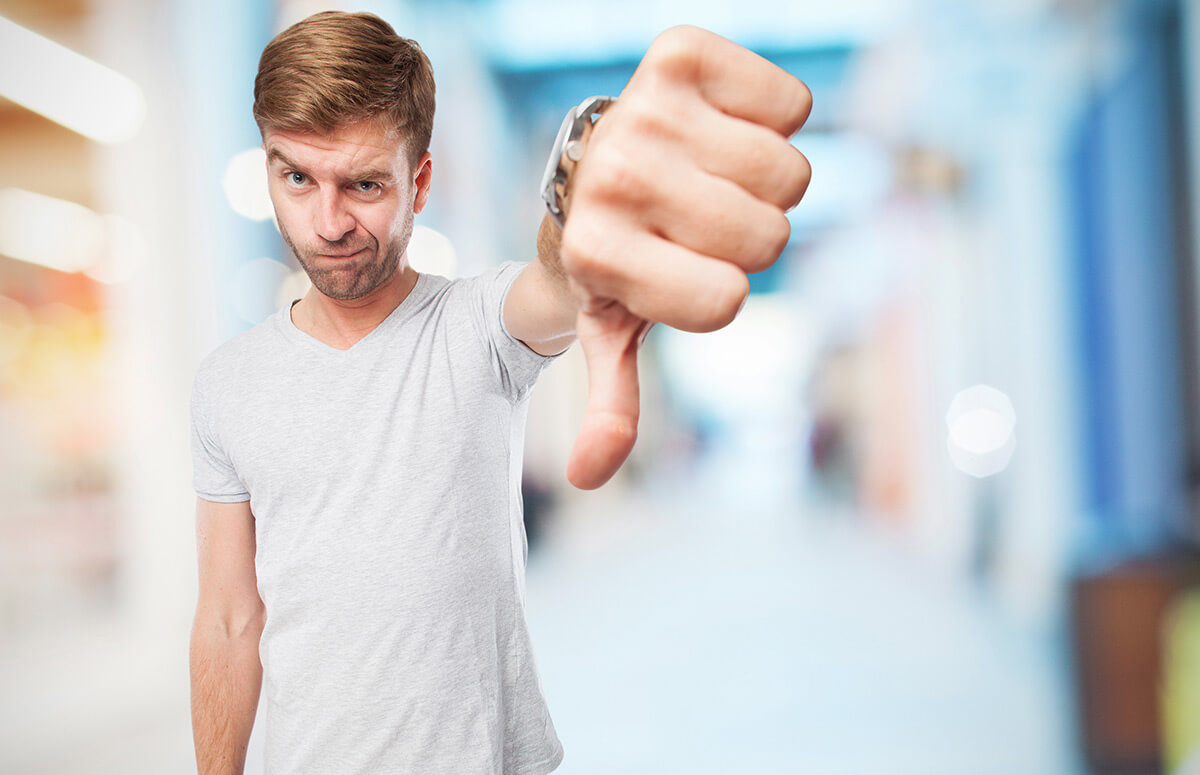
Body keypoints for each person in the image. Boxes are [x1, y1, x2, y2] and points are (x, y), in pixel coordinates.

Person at [189, 10, 811, 775]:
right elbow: (227, 619)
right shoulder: (228, 384)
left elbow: (558, 276)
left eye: (364, 184)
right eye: (297, 179)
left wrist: (590, 165)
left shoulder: (477, 324)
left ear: (420, 181)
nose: (328, 222)